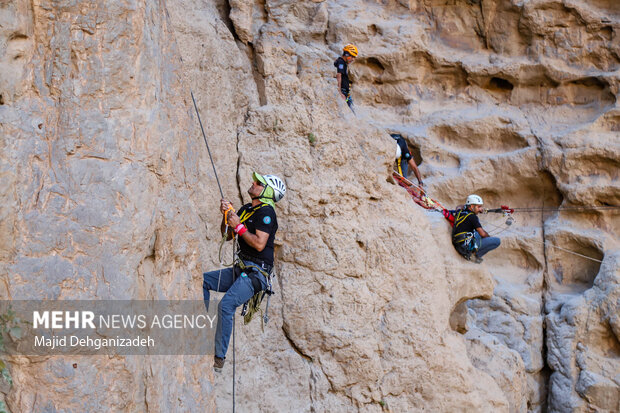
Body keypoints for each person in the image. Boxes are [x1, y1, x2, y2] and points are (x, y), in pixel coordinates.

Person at [203, 172, 286, 372]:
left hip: (256, 274)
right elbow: (229, 235)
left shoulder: (267, 213)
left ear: (266, 192)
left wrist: (238, 225)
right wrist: (227, 216)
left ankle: (218, 357)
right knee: (203, 281)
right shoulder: (248, 208)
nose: (253, 183)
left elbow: (259, 244)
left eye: (258, 183)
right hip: (241, 269)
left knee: (226, 305)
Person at [450, 194, 500, 263]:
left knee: (476, 232)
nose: (480, 209)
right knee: (497, 241)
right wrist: (488, 237)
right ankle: (473, 255)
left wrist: (477, 209)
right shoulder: (473, 217)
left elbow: (459, 206)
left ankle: (472, 252)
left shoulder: (460, 211)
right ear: (472, 206)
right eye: (479, 207)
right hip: (465, 248)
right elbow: (483, 234)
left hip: (458, 243)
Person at [334, 44, 358, 110]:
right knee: (349, 110)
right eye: (352, 56)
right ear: (347, 54)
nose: (353, 59)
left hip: (345, 92)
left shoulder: (343, 63)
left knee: (351, 109)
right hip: (343, 91)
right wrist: (340, 92)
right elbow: (339, 75)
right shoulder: (341, 62)